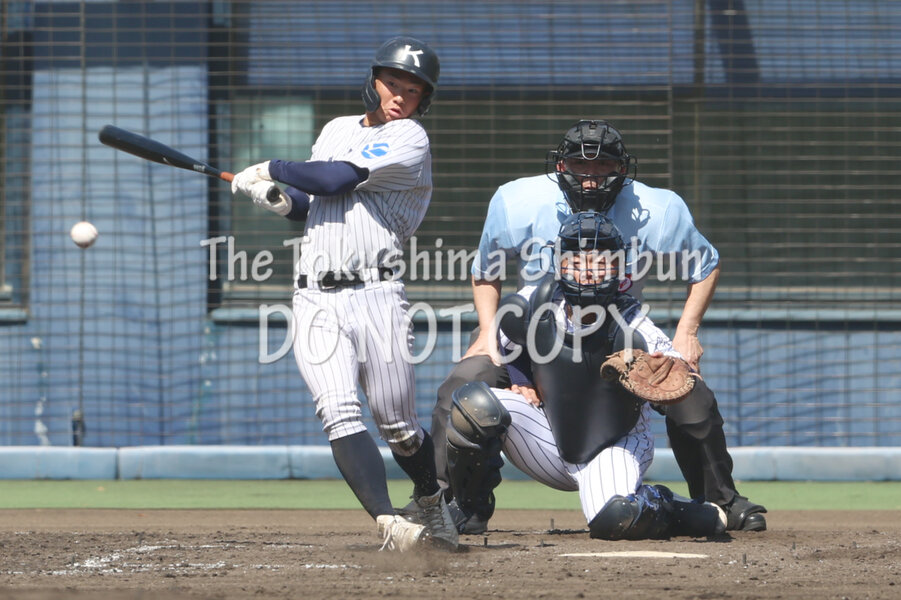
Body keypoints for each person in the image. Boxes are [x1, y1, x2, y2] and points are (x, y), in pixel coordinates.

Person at [426, 119, 766, 534]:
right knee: (465, 386)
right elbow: (486, 271)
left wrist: (686, 334)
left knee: (689, 392)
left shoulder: (657, 214)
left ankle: (718, 500)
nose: (591, 178)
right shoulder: (517, 206)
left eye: (603, 165)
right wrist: (493, 345)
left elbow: (705, 265)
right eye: (580, 166)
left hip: (612, 345)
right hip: (537, 338)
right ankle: (448, 504)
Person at [230, 36, 457, 552]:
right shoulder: (336, 128)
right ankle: (389, 522)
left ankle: (431, 499)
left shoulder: (409, 138)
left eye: (413, 91)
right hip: (314, 297)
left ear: (424, 100)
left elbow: (337, 179)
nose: (400, 96)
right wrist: (280, 199)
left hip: (376, 294)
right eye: (392, 83)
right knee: (337, 409)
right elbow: (315, 201)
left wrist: (270, 167)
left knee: (398, 426)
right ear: (373, 81)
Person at [445, 212, 726, 540]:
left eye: (601, 261)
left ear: (619, 266)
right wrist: (521, 379)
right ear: (560, 264)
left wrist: (673, 375)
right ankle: (469, 510)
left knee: (616, 518)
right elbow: (508, 339)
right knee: (473, 405)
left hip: (614, 444)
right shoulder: (536, 301)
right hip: (548, 436)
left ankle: (667, 504)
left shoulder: (634, 324)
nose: (588, 270)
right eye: (576, 261)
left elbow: (680, 375)